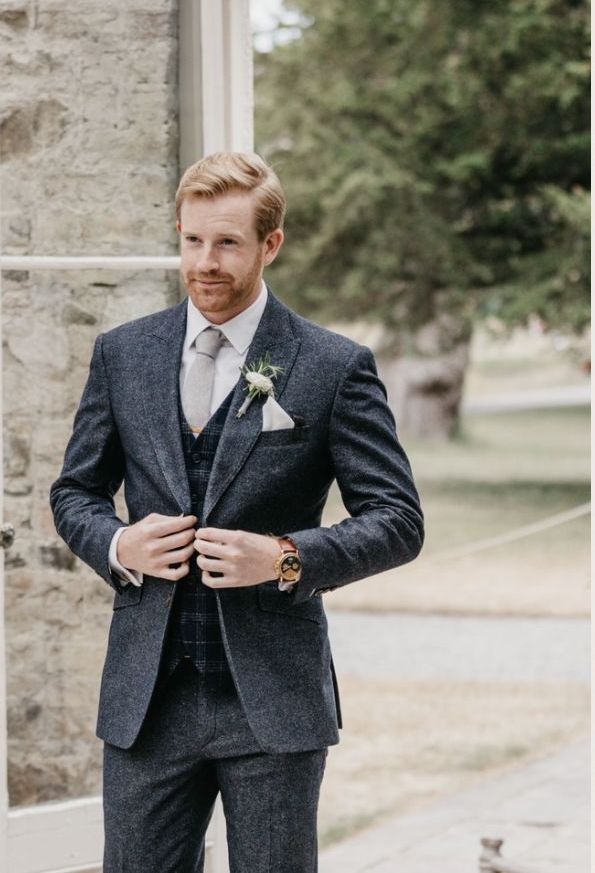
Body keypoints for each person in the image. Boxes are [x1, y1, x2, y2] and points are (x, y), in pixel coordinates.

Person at [50, 152, 423, 871]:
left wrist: (286, 556)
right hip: (147, 702)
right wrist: (120, 544)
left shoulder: (332, 364)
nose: (205, 262)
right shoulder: (123, 355)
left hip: (271, 701)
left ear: (269, 245)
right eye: (192, 240)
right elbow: (74, 493)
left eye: (227, 242)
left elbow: (398, 519)